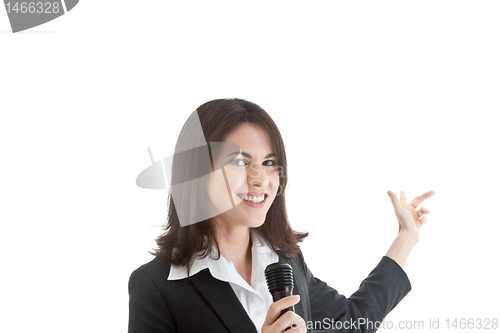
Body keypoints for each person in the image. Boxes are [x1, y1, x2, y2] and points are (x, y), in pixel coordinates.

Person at [128, 98, 435, 333]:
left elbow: (351, 323)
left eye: (270, 162)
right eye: (238, 161)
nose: (261, 179)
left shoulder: (285, 262)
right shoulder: (156, 286)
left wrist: (406, 239)